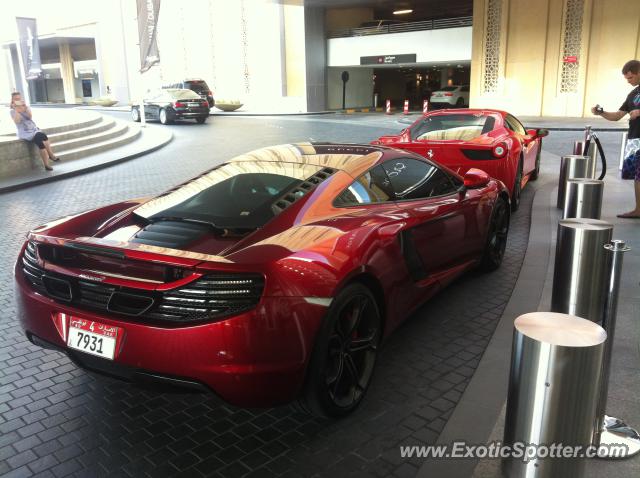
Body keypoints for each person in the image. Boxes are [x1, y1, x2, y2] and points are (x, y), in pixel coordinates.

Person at [591, 59, 640, 218]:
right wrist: (601, 112)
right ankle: (638, 209)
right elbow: (618, 116)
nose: (628, 81)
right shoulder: (632, 94)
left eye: (630, 77)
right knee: (637, 176)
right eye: (626, 78)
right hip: (635, 140)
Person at [9, 91, 59, 171]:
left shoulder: (26, 107)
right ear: (12, 100)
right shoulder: (12, 111)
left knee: (43, 136)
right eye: (15, 99)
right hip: (24, 132)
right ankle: (50, 158)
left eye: (19, 98)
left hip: (33, 129)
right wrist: (17, 110)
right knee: (40, 139)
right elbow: (17, 121)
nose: (17, 100)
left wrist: (25, 109)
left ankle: (48, 160)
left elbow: (30, 117)